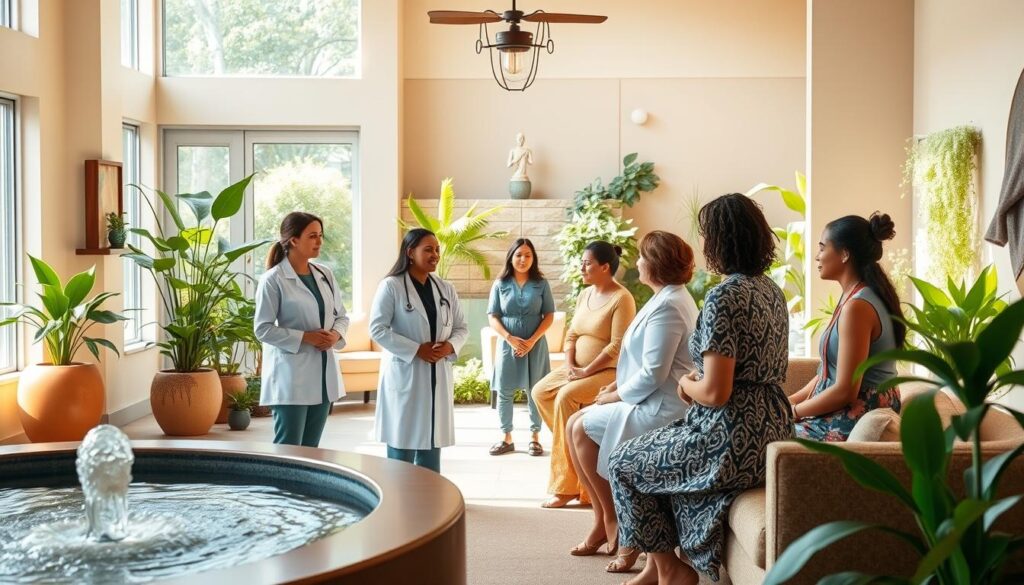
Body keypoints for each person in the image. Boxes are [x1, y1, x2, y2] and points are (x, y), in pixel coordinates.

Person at [609, 194, 792, 585]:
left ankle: (672, 570)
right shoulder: (770, 291)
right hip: (772, 430)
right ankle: (657, 568)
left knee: (623, 463)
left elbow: (716, 392)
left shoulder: (724, 296)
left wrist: (687, 383)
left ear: (719, 241)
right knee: (657, 453)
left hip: (730, 437)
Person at [565, 231, 699, 575]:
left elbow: (654, 373)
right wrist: (618, 383)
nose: (637, 262)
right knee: (574, 424)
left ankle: (618, 524)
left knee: (580, 427)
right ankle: (604, 518)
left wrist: (614, 394)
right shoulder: (664, 297)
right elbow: (642, 362)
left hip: (665, 406)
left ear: (654, 265)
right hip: (649, 396)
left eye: (641, 256)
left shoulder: (670, 305)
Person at [531, 241, 637, 509]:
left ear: (604, 267)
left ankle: (565, 488)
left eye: (587, 263)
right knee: (540, 392)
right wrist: (569, 365)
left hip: (607, 372)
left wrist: (586, 371)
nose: (582, 267)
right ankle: (579, 450)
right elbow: (572, 334)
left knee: (565, 397)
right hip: (577, 370)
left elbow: (617, 346)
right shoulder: (584, 294)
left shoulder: (621, 298)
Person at [791, 213, 904, 441]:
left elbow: (845, 390)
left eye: (823, 248)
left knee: (757, 438)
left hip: (854, 413)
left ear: (844, 254)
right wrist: (791, 401)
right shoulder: (854, 297)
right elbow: (829, 373)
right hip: (847, 408)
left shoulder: (858, 307)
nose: (817, 256)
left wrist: (792, 412)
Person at [369, 228, 468, 473]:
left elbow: (462, 327)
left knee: (431, 442)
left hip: (437, 373)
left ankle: (429, 502)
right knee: (402, 442)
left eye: (437, 250)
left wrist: (449, 346)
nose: (435, 254)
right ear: (410, 252)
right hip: (407, 373)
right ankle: (397, 498)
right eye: (428, 249)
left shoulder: (446, 289)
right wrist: (416, 350)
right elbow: (377, 329)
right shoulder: (391, 286)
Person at [255, 212, 349, 447]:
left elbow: (342, 316)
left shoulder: (325, 274)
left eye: (320, 236)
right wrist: (306, 337)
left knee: (311, 452)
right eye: (312, 236)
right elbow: (263, 329)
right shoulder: (273, 280)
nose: (319, 241)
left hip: (323, 378)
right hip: (291, 378)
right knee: (289, 450)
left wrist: (335, 335)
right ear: (294, 240)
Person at [487, 238, 556, 457]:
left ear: (533, 258)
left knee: (534, 391)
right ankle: (506, 437)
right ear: (511, 257)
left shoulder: (541, 284)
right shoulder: (500, 284)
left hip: (535, 345)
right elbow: (493, 316)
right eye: (518, 255)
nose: (523, 259)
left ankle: (535, 438)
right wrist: (509, 338)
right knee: (505, 391)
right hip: (508, 345)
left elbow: (549, 315)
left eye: (527, 255)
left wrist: (533, 340)